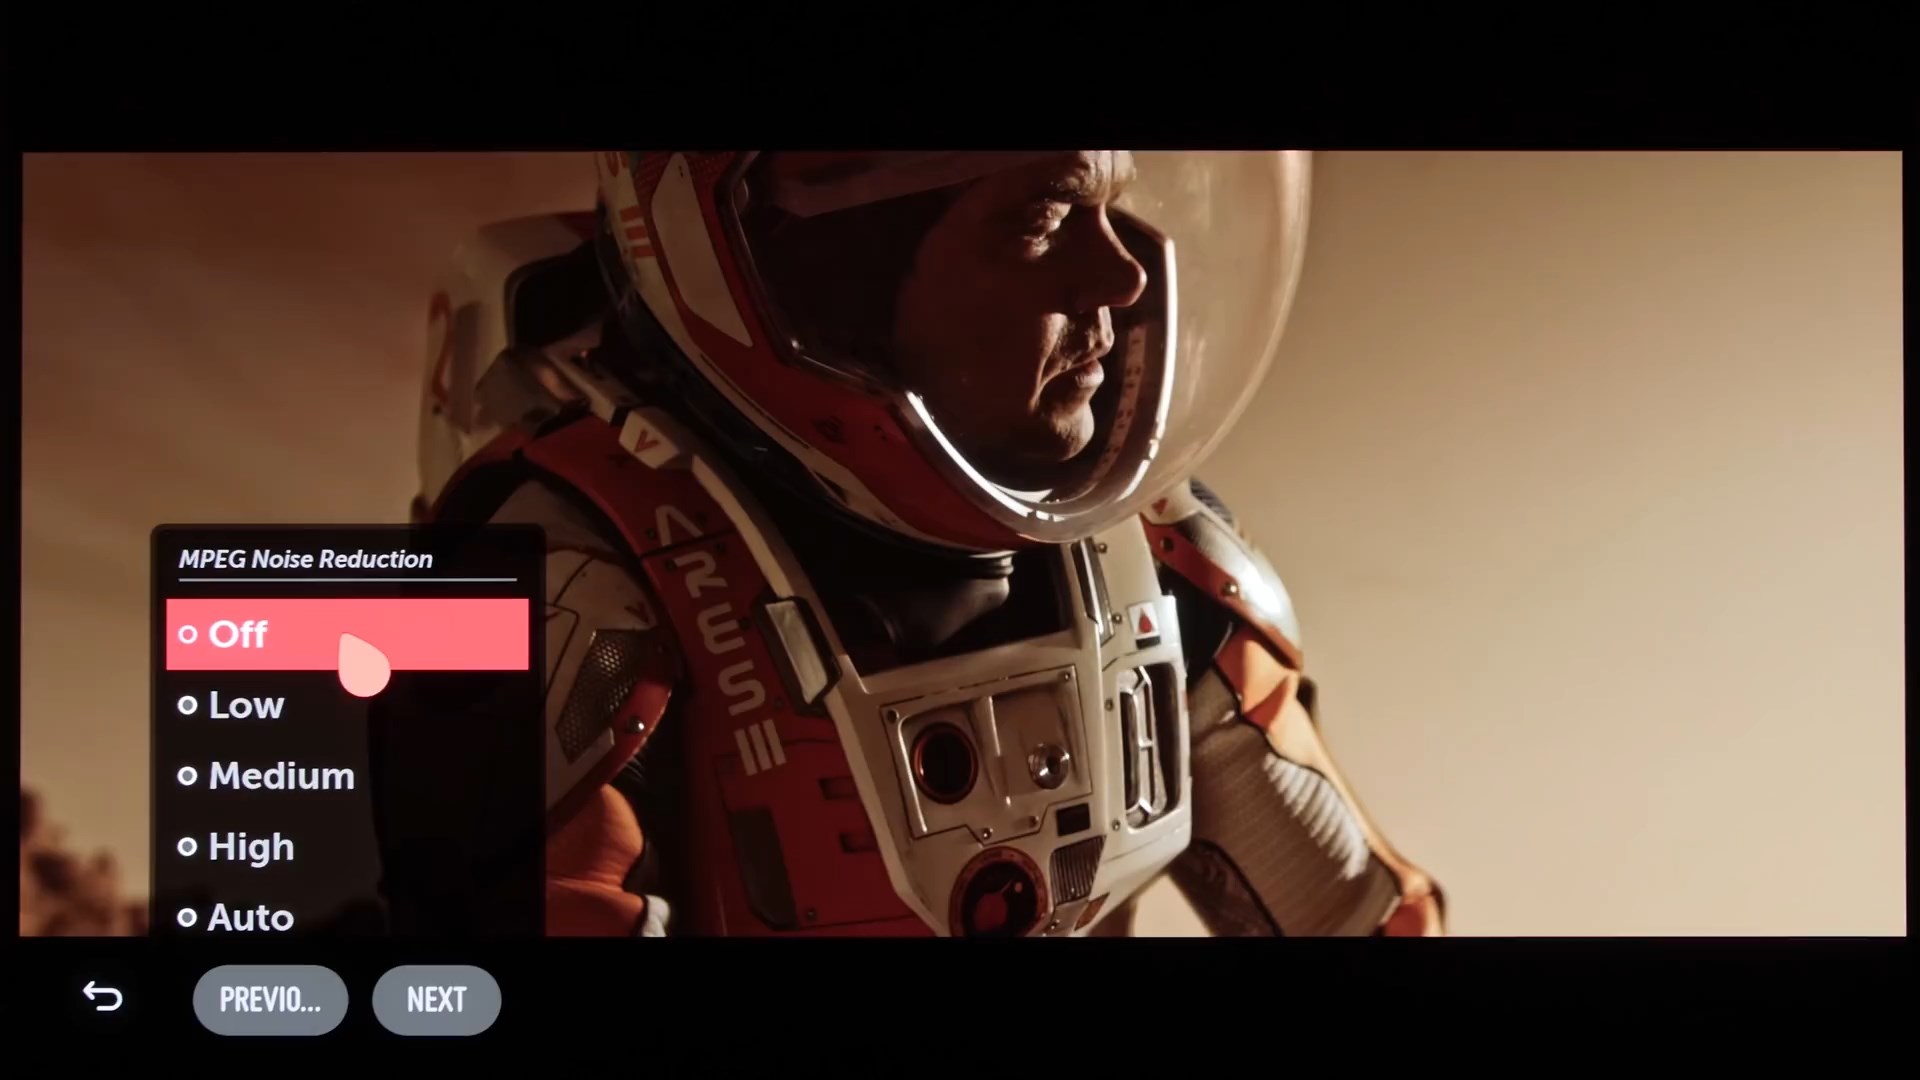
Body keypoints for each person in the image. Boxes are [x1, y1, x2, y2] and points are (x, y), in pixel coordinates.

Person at [387, 150, 1444, 938]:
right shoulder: (561, 589)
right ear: (828, 283)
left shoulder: (1164, 566)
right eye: (1043, 219)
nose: (1122, 279)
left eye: (1114, 205)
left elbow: (1357, 915)